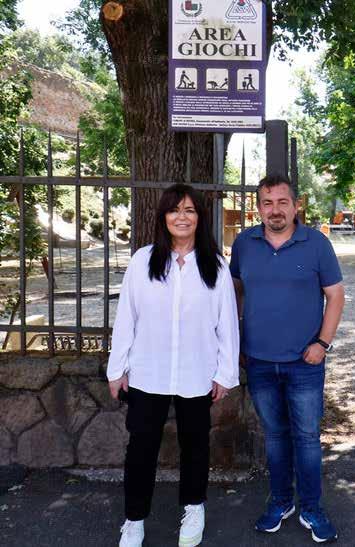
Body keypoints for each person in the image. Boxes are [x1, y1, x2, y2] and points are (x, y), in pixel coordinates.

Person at [107, 184, 239, 547]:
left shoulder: (215, 266)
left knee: (195, 445)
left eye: (190, 210)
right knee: (141, 449)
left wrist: (225, 373)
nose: (182, 217)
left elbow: (227, 323)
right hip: (148, 372)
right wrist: (117, 369)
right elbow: (126, 318)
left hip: (197, 372)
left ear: (200, 218)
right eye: (174, 210)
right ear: (163, 217)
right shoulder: (143, 261)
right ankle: (134, 520)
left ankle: (194, 507)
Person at [230, 174, 345, 543]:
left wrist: (323, 343)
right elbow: (235, 293)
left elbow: (336, 296)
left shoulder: (317, 244)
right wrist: (236, 342)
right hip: (259, 361)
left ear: (296, 206)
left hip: (304, 363)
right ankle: (281, 502)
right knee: (275, 436)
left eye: (282, 202)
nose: (275, 209)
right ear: (258, 208)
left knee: (307, 437)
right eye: (267, 203)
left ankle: (312, 508)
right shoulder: (244, 244)